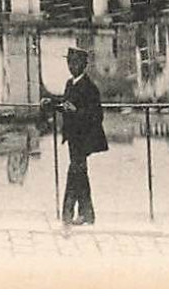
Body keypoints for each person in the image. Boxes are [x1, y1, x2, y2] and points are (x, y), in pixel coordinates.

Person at [49, 45, 108, 226]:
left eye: (74, 63)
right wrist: (51, 104)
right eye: (69, 62)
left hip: (84, 137)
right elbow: (65, 105)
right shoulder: (69, 84)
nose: (71, 66)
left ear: (83, 65)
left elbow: (96, 115)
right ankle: (87, 214)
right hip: (72, 137)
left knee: (75, 172)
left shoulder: (90, 88)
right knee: (80, 174)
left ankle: (67, 214)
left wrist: (76, 111)